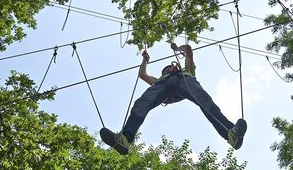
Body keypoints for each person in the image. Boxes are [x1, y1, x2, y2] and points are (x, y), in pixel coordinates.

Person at [100, 43, 247, 155]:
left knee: (204, 100)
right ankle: (125, 139)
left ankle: (230, 133)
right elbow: (143, 75)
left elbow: (188, 50)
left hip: (184, 81)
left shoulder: (187, 71)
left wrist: (177, 49)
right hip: (164, 88)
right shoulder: (159, 80)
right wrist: (145, 60)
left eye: (169, 68)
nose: (169, 69)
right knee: (142, 103)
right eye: (165, 70)